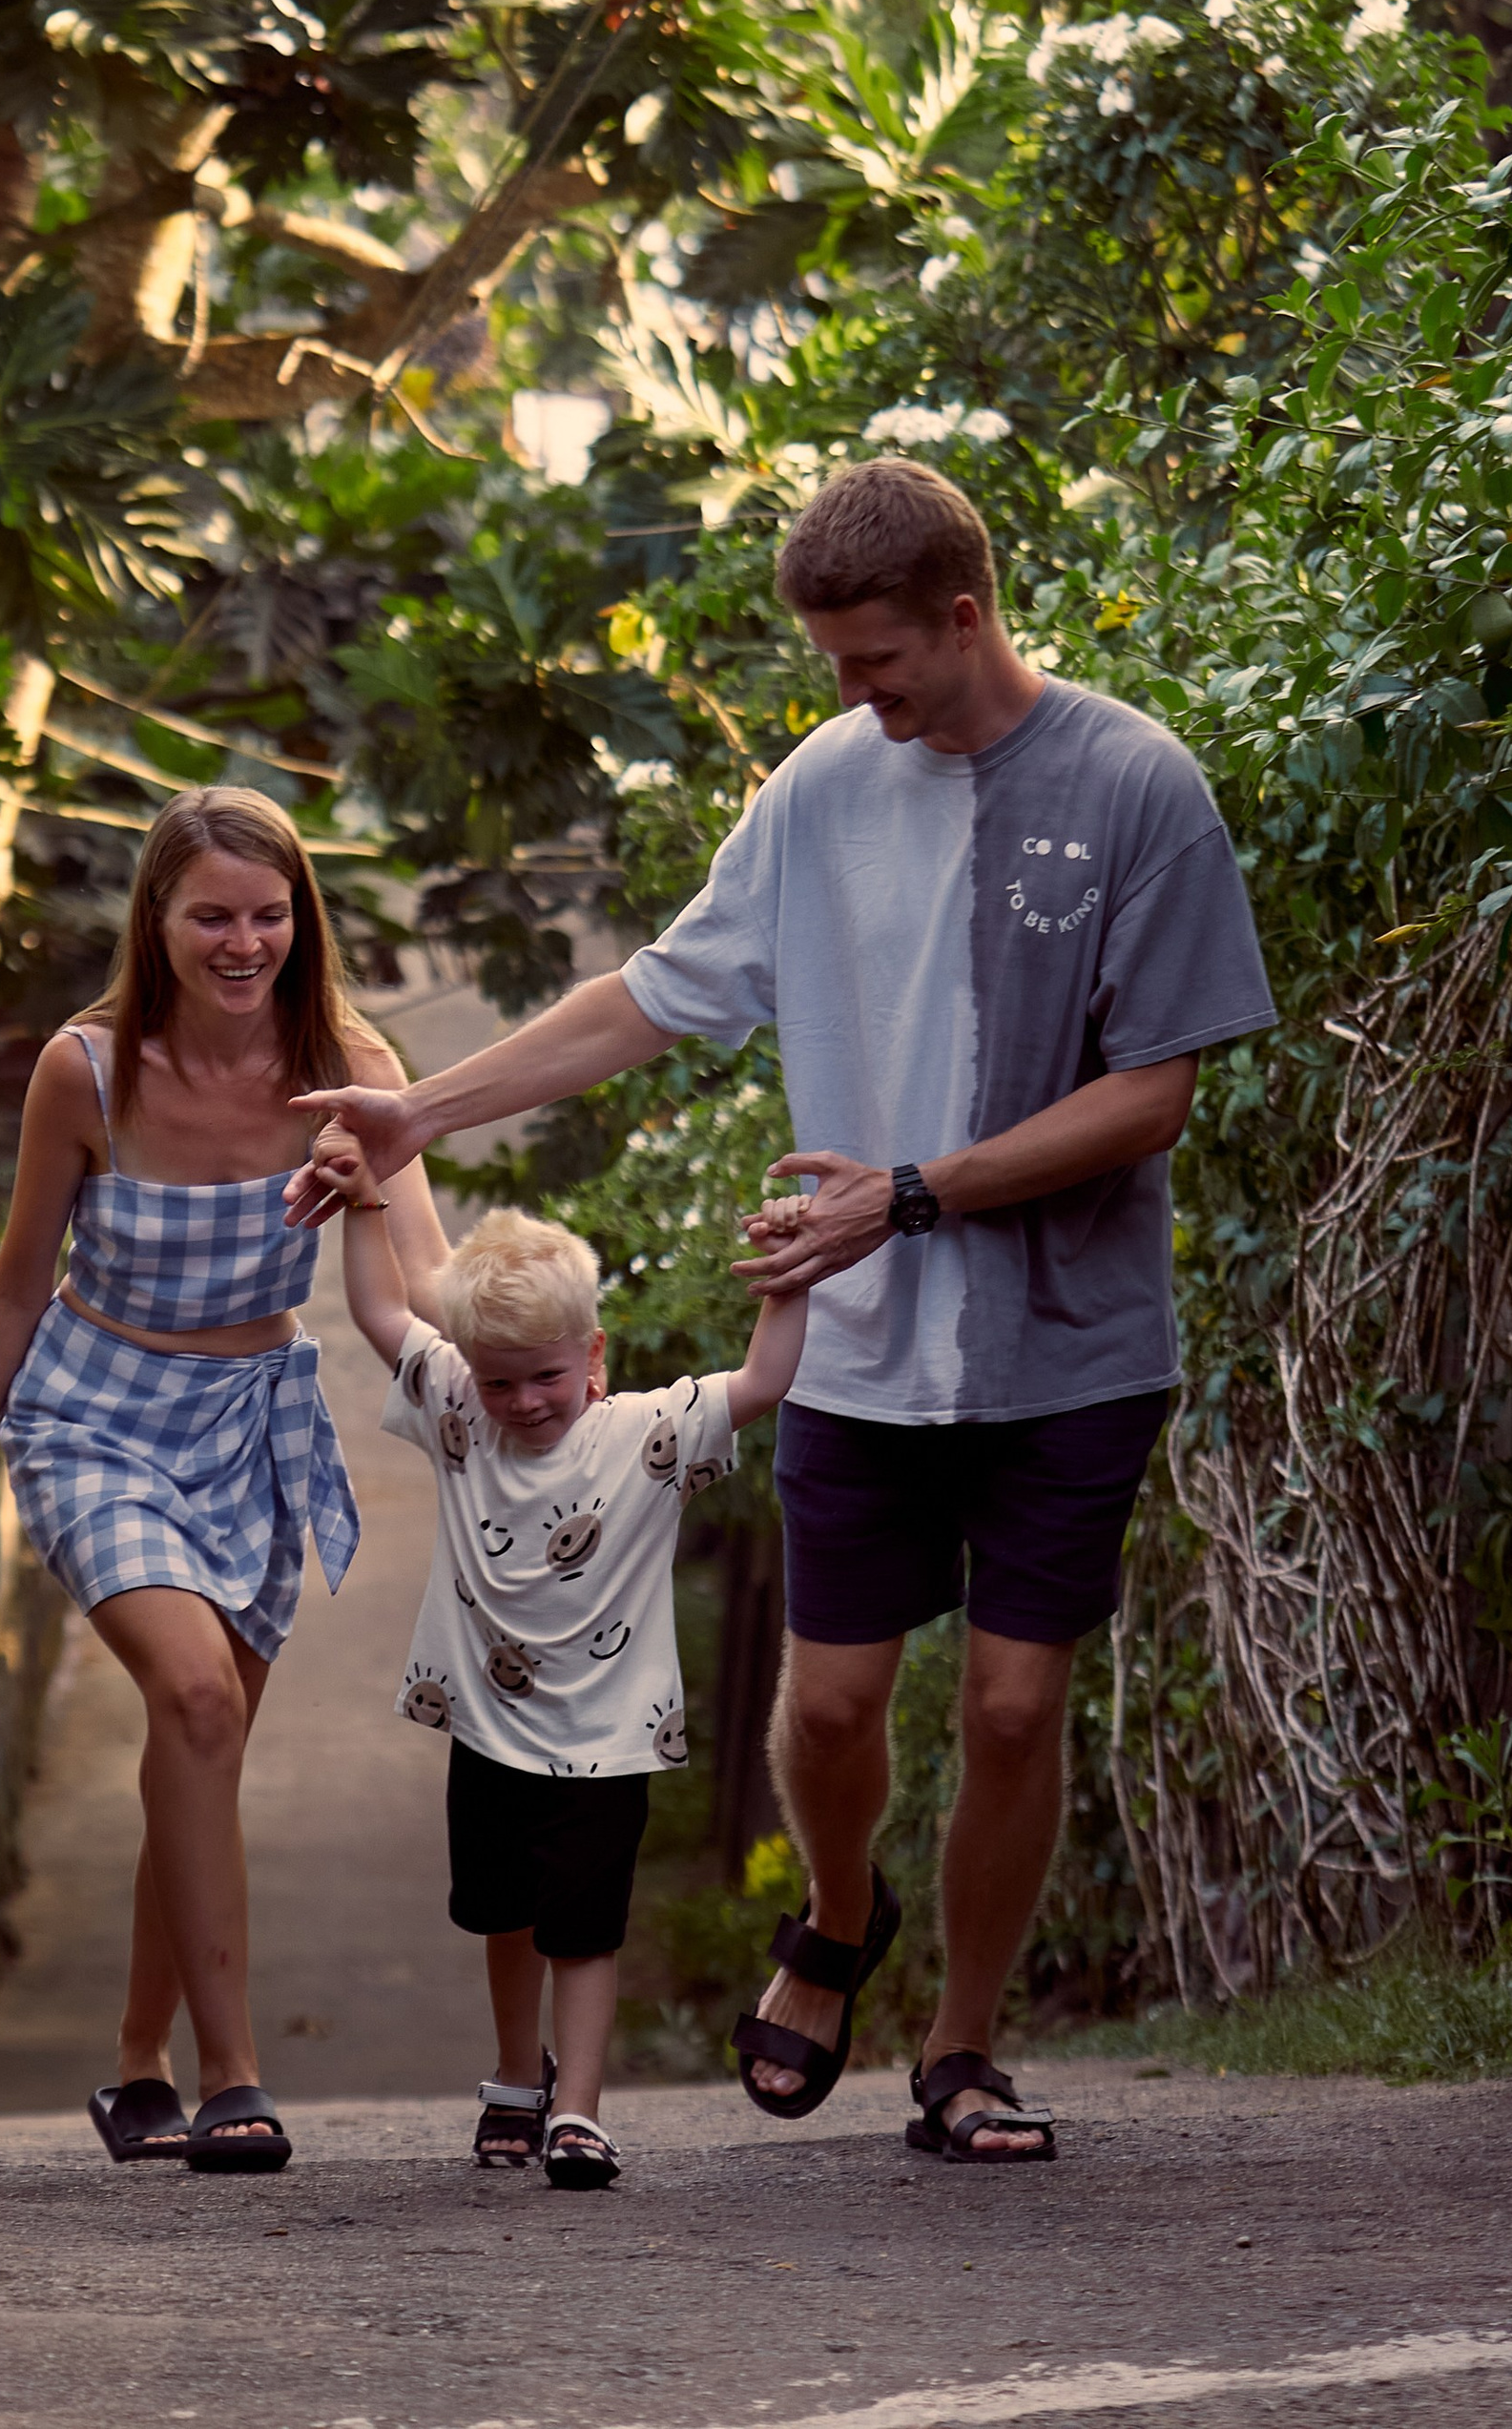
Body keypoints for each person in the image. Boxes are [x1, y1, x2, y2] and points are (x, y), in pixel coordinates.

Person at [284, 457, 1275, 2165]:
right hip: (865, 1357)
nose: (850, 697)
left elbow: (1154, 1098)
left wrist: (906, 1193)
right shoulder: (826, 784)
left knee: (1016, 1708)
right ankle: (836, 1916)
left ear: (964, 615)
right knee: (827, 1711)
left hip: (1071, 1345)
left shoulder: (1137, 788)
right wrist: (420, 1114)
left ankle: (963, 2048)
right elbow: (654, 999)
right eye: (832, 664)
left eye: (874, 659)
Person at [0, 787, 445, 2172]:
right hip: (94, 1418)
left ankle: (136, 2065)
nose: (244, 943)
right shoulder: (87, 1072)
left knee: (201, 1751)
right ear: (159, 921)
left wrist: (537, 1389)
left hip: (251, 1423)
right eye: (213, 917)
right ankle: (232, 2078)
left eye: (269, 914)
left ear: (302, 918)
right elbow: (15, 1291)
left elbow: (428, 1273)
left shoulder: (351, 1062)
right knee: (191, 1700)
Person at [317, 1150, 807, 2189]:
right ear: (469, 1368)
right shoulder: (456, 1411)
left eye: (545, 1375)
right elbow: (371, 1309)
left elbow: (764, 1380)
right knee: (504, 1913)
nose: (524, 1401)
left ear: (594, 1354)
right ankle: (513, 2075)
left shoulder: (646, 1435)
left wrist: (790, 1276)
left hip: (605, 1738)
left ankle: (576, 2111)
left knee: (584, 1929)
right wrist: (362, 1200)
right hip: (487, 1729)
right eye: (499, 1380)